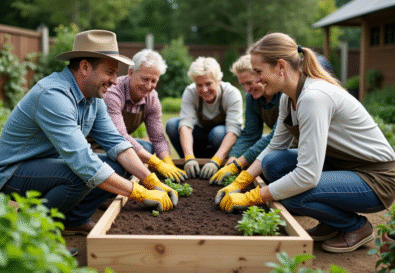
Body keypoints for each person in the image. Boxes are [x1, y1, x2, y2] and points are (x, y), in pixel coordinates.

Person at [215, 32, 395, 254]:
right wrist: (242, 180)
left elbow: (307, 175)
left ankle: (357, 227)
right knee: (273, 163)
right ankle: (332, 223)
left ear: (281, 66)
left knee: (291, 194)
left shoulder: (313, 97)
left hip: (376, 179)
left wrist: (252, 197)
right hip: (343, 167)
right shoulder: (288, 97)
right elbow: (275, 145)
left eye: (259, 72)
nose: (258, 79)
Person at [0, 30, 177, 237]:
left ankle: (73, 219)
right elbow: (83, 163)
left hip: (53, 164)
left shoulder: (93, 99)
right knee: (82, 175)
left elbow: (117, 143)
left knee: (116, 164)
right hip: (14, 172)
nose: (115, 80)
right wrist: (139, 193)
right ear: (85, 67)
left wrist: (152, 181)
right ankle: (32, 231)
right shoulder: (53, 95)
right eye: (109, 72)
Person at [100, 49, 186, 183]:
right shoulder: (113, 93)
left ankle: (128, 176)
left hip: (119, 146)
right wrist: (156, 163)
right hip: (98, 145)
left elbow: (157, 138)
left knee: (148, 148)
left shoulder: (152, 98)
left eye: (154, 81)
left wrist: (167, 162)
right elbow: (120, 136)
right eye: (145, 79)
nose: (148, 86)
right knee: (129, 162)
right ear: (131, 73)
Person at [166, 57, 243, 180]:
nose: (204, 90)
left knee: (218, 132)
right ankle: (190, 165)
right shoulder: (190, 92)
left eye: (208, 84)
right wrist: (189, 157)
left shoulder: (231, 93)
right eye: (199, 85)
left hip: (220, 141)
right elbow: (185, 125)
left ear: (218, 80)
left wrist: (216, 160)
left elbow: (233, 131)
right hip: (199, 138)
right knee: (172, 125)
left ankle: (219, 166)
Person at [209, 54, 281, 185]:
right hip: (278, 142)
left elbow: (276, 137)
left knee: (270, 163)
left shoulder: (283, 95)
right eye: (243, 84)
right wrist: (232, 160)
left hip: (295, 146)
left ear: (261, 76)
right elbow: (249, 134)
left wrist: (238, 164)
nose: (247, 89)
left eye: (249, 83)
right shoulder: (252, 98)